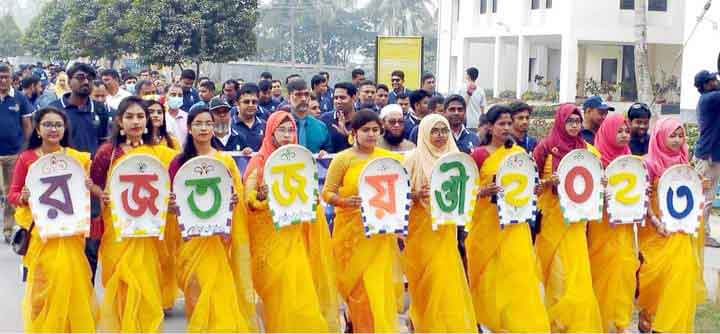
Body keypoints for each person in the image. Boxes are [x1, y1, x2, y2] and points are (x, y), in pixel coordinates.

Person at [243, 111, 338, 332]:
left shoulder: (301, 159)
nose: (287, 135)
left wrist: (312, 200)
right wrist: (261, 197)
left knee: (301, 294)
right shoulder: (259, 161)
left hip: (297, 238)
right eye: (282, 130)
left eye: (291, 130)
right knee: (279, 295)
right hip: (270, 241)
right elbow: (248, 201)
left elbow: (308, 195)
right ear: (270, 132)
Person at [89, 96, 177, 331]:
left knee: (146, 284)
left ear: (148, 120)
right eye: (129, 117)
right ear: (119, 121)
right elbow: (94, 183)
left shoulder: (159, 153)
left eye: (140, 116)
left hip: (147, 232)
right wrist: (102, 194)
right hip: (118, 231)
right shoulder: (107, 152)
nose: (135, 122)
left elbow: (171, 183)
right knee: (121, 283)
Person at [9, 107, 97, 332]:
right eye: (47, 124)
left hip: (69, 233)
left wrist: (89, 186)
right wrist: (23, 197)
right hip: (42, 235)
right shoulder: (27, 158)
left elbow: (89, 192)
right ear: (37, 129)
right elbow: (13, 194)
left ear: (65, 128)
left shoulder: (76, 159)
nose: (53, 129)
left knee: (71, 282)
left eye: (58, 124)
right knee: (44, 287)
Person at [167, 107, 255, 331]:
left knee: (218, 290)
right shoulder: (178, 162)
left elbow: (236, 194)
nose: (204, 128)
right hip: (189, 240)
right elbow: (169, 201)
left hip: (218, 240)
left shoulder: (224, 160)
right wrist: (171, 206)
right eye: (198, 124)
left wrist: (234, 200)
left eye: (209, 123)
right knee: (196, 294)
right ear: (189, 128)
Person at [469, 105, 550, 332]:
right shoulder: (479, 154)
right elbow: (468, 190)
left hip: (516, 227)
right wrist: (483, 191)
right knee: (489, 277)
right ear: (490, 126)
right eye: (501, 124)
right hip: (486, 227)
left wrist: (536, 188)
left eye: (508, 123)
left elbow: (528, 186)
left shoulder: (520, 154)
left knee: (517, 276)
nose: (506, 128)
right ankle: (489, 324)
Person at [322, 110, 404, 332]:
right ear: (354, 132)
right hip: (350, 234)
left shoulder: (390, 160)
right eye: (365, 130)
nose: (371, 134)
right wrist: (344, 201)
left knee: (376, 287)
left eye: (375, 130)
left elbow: (402, 191)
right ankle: (356, 324)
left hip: (379, 236)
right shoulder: (343, 159)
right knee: (357, 289)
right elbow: (327, 193)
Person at [402, 114, 477, 332]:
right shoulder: (413, 158)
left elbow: (466, 189)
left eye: (444, 130)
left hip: (446, 230)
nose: (440, 136)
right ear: (424, 133)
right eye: (434, 131)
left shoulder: (455, 157)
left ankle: (444, 324)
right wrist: (415, 194)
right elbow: (400, 193)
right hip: (420, 228)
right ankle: (421, 321)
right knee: (423, 277)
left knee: (443, 276)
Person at [532, 103, 603, 332]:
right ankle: (552, 323)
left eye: (577, 122)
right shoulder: (545, 147)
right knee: (555, 274)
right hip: (551, 220)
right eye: (569, 121)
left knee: (574, 273)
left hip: (575, 224)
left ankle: (571, 323)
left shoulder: (587, 151)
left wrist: (602, 183)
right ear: (560, 122)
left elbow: (594, 182)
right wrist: (547, 183)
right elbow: (532, 186)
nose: (574, 126)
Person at [638, 117, 706, 332]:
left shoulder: (684, 161)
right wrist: (657, 223)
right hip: (654, 232)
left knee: (681, 276)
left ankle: (668, 327)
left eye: (681, 135)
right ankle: (648, 314)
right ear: (660, 136)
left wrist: (700, 186)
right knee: (655, 278)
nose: (677, 140)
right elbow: (644, 200)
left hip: (680, 232)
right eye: (672, 135)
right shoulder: (648, 163)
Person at [587, 113, 639, 333]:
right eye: (619, 131)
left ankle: (620, 321)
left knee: (625, 268)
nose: (625, 135)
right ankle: (599, 318)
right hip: (602, 225)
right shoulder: (596, 159)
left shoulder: (629, 159)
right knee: (603, 268)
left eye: (627, 131)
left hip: (625, 226)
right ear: (608, 132)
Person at [1, 64, 35, 241]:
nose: (3, 80)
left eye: (6, 77)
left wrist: (26, 150)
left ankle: (8, 229)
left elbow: (27, 126)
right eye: (0, 77)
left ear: (12, 78)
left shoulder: (19, 99)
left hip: (13, 153)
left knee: (10, 193)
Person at [49, 63, 111, 155]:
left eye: (90, 78)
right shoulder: (54, 109)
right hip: (63, 165)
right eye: (80, 78)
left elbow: (103, 141)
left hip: (91, 166)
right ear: (69, 81)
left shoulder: (100, 109)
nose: (86, 82)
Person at [692, 70, 720, 248]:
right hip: (708, 157)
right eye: (711, 80)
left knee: (705, 196)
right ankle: (703, 235)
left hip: (709, 155)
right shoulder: (710, 99)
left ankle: (700, 233)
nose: (715, 81)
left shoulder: (712, 98)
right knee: (706, 197)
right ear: (704, 86)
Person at [287, 79, 331, 154]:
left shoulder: (321, 127)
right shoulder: (280, 125)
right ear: (288, 98)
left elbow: (329, 153)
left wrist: (324, 153)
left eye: (306, 94)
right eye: (298, 95)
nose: (303, 99)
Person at [320, 82, 356, 153]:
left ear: (353, 98)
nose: (338, 101)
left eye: (342, 98)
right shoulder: (324, 119)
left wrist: (347, 134)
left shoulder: (362, 120)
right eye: (336, 98)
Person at [233, 83, 265, 154]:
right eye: (246, 102)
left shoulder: (264, 125)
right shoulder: (230, 125)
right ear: (237, 104)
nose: (251, 105)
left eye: (254, 102)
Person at [461, 67, 486, 132]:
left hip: (464, 121)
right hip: (476, 123)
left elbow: (460, 104)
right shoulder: (481, 91)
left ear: (468, 76)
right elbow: (482, 109)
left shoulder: (461, 88)